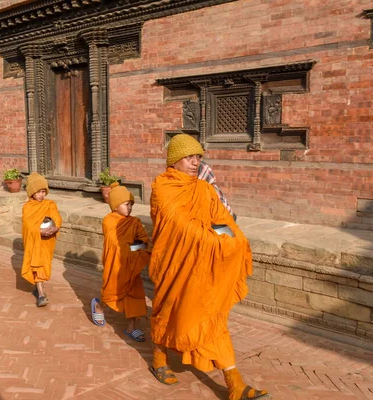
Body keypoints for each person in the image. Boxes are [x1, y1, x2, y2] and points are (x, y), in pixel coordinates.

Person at [148, 134, 269, 400]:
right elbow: (178, 224)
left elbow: (223, 220)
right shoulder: (162, 187)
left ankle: (235, 383)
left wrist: (236, 240)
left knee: (212, 318)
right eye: (190, 158)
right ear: (175, 160)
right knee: (167, 310)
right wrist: (214, 240)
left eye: (198, 158)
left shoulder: (203, 189)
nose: (195, 163)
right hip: (174, 263)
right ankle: (159, 358)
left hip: (203, 265)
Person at [90, 182, 151, 343]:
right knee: (112, 292)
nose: (129, 207)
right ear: (115, 205)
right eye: (125, 204)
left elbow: (144, 241)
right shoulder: (109, 221)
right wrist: (133, 248)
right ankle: (99, 306)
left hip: (132, 267)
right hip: (116, 265)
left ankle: (132, 327)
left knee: (136, 296)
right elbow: (113, 243)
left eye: (131, 204)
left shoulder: (135, 222)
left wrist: (136, 248)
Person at [21, 172, 61, 307]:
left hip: (46, 241)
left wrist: (55, 229)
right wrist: (39, 231)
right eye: (38, 192)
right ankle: (41, 294)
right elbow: (28, 225)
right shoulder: (27, 207)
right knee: (37, 265)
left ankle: (38, 288)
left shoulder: (50, 204)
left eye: (44, 191)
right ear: (32, 192)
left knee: (43, 263)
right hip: (34, 240)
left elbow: (56, 218)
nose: (41, 195)